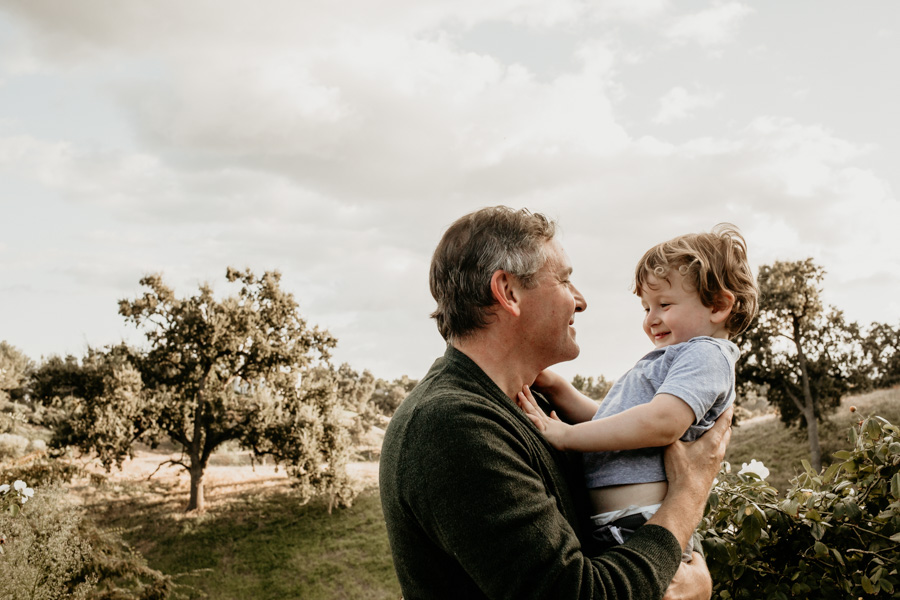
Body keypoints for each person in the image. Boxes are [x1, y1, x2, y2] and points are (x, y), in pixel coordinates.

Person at [379, 206, 732, 600]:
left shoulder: (535, 401)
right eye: (565, 280)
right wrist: (690, 493)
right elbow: (580, 593)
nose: (580, 301)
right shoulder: (449, 426)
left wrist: (694, 579)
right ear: (508, 292)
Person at [517, 224, 757, 562]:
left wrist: (568, 436)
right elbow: (615, 422)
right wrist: (560, 390)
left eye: (664, 304)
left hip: (642, 523)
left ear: (718, 305)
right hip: (623, 524)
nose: (651, 320)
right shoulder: (676, 357)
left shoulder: (706, 355)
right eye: (647, 308)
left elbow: (661, 423)